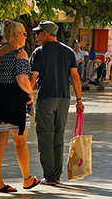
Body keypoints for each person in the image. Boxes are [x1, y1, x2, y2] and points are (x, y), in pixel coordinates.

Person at [0, 19, 39, 192]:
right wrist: (30, 95)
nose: (26, 37)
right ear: (16, 35)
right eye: (24, 33)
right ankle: (27, 179)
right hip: (15, 99)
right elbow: (21, 79)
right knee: (20, 141)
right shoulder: (20, 54)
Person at [30, 20, 84, 188]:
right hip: (64, 99)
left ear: (45, 33)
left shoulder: (39, 52)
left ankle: (50, 176)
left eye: (38, 33)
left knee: (45, 137)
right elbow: (75, 77)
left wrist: (26, 98)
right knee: (58, 135)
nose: (37, 36)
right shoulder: (68, 52)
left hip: (46, 99)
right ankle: (57, 175)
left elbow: (33, 78)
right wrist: (79, 100)